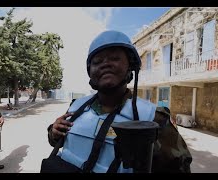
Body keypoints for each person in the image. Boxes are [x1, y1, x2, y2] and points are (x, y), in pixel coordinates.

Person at [46, 30, 192, 173]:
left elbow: (178, 167)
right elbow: (58, 142)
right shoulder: (76, 107)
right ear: (90, 71)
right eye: (97, 61)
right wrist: (54, 132)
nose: (105, 64)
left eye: (115, 58)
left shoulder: (152, 118)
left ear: (131, 66)